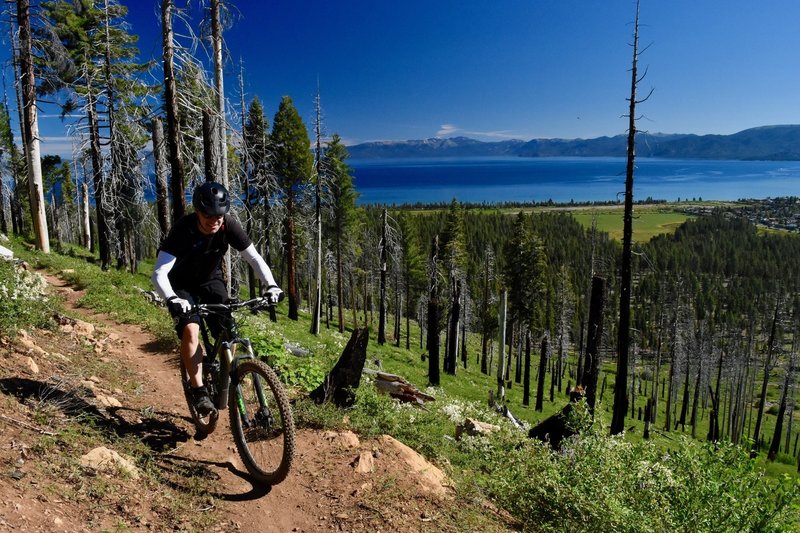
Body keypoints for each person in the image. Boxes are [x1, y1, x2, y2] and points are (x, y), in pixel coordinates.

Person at [151, 181, 282, 417]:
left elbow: (254, 258)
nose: (215, 221)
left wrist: (271, 285)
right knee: (191, 330)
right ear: (198, 212)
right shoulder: (183, 229)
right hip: (180, 284)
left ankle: (228, 382)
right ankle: (199, 389)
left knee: (229, 331)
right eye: (209, 216)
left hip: (211, 280)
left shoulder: (228, 225)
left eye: (219, 216)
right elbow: (159, 272)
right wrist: (171, 298)